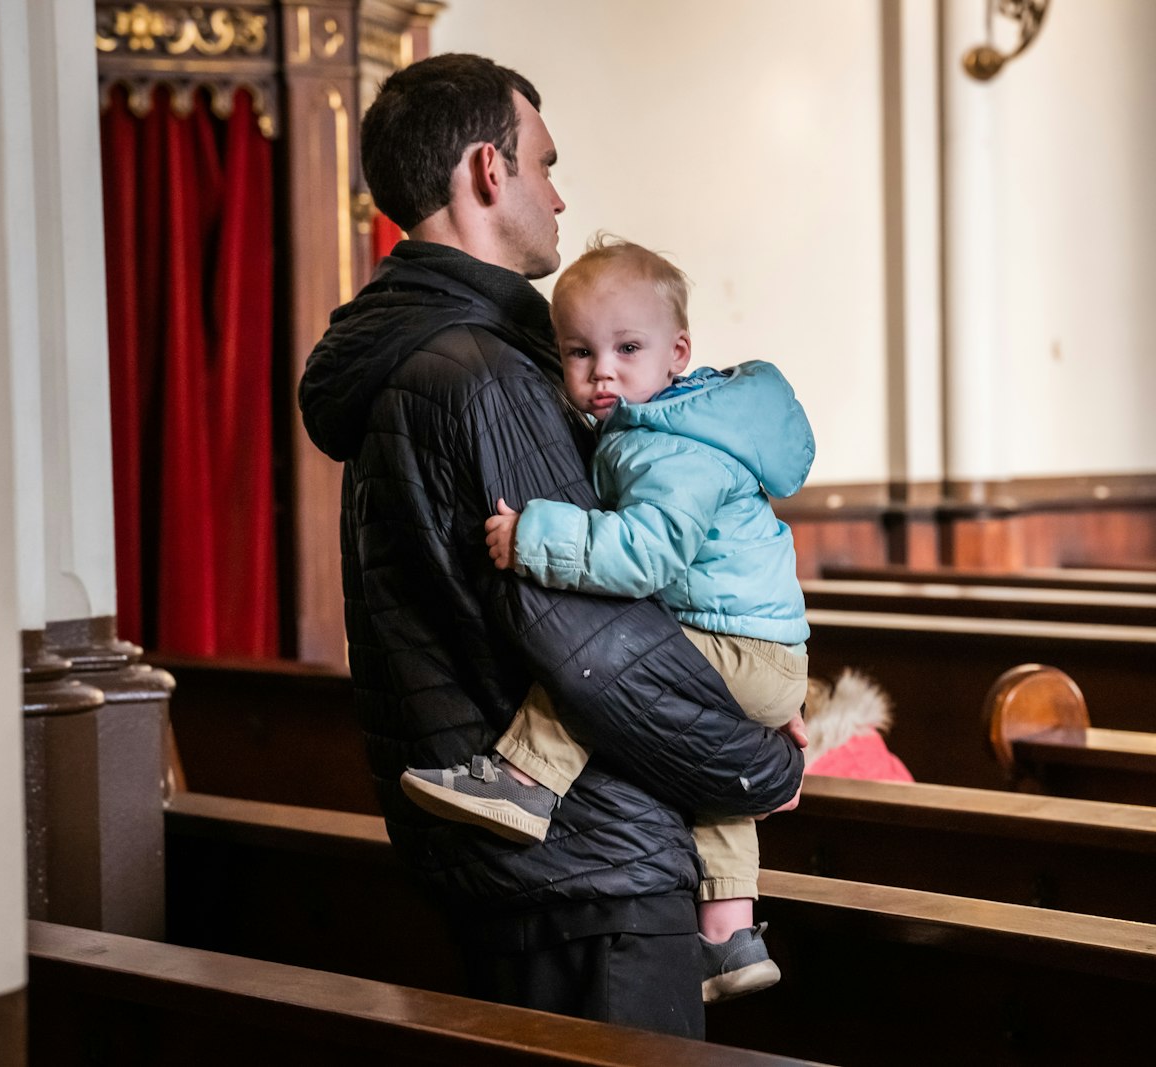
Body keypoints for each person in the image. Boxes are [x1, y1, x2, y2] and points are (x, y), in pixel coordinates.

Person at [296, 54, 803, 1040]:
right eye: (544, 163)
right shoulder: (482, 371)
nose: (559, 195)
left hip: (538, 870)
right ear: (489, 172)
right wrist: (759, 764)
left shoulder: (425, 351)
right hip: (591, 870)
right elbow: (598, 649)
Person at [400, 236, 815, 1004]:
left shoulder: (674, 449)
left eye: (627, 348)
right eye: (579, 352)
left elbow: (647, 555)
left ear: (677, 351)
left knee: (599, 669)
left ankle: (526, 776)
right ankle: (730, 934)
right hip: (764, 655)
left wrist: (534, 534)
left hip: (737, 646)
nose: (602, 372)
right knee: (713, 789)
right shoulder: (667, 427)